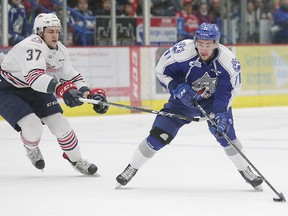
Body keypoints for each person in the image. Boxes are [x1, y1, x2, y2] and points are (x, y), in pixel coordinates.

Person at [116, 23, 263, 191]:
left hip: (212, 104)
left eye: (208, 44)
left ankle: (245, 170)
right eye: (200, 44)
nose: (204, 49)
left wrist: (221, 113)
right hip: (181, 102)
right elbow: (160, 71)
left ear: (216, 43)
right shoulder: (182, 52)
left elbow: (228, 91)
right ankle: (132, 167)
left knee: (226, 136)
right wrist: (176, 87)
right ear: (195, 42)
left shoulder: (229, 62)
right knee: (158, 135)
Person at [0, 13, 108, 175]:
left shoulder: (60, 50)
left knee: (60, 124)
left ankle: (76, 159)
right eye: (50, 31)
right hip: (7, 89)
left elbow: (71, 75)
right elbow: (34, 78)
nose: (55, 35)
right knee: (32, 126)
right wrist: (61, 88)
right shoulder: (30, 46)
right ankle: (31, 147)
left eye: (57, 31)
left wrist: (88, 93)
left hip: (34, 87)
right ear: (40, 32)